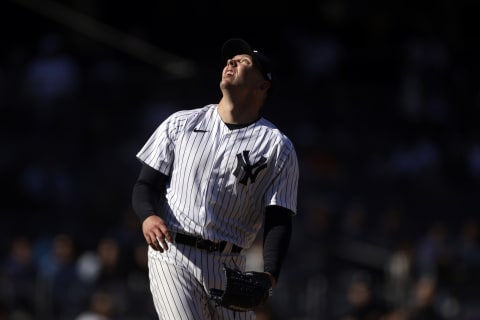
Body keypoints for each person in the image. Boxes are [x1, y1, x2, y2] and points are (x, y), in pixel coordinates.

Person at [132, 38, 299, 320]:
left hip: (231, 266)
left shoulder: (276, 146)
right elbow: (146, 184)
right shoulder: (181, 123)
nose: (231, 62)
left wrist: (270, 275)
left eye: (245, 62)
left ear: (263, 86)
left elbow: (279, 216)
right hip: (173, 254)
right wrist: (148, 216)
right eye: (230, 59)